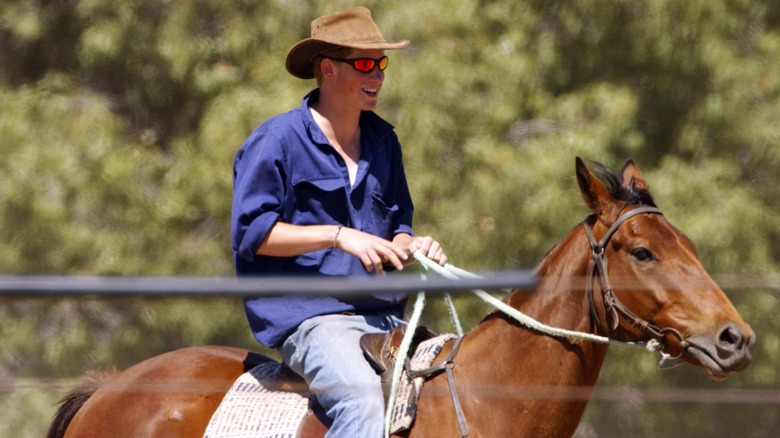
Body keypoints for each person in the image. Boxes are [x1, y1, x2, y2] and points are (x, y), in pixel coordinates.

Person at [230, 7, 447, 437]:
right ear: (327, 69)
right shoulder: (277, 140)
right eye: (365, 64)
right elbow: (251, 233)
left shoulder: (385, 141)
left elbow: (398, 226)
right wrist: (337, 236)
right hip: (312, 318)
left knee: (455, 387)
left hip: (385, 316)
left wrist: (413, 243)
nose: (378, 75)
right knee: (362, 400)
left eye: (381, 64)